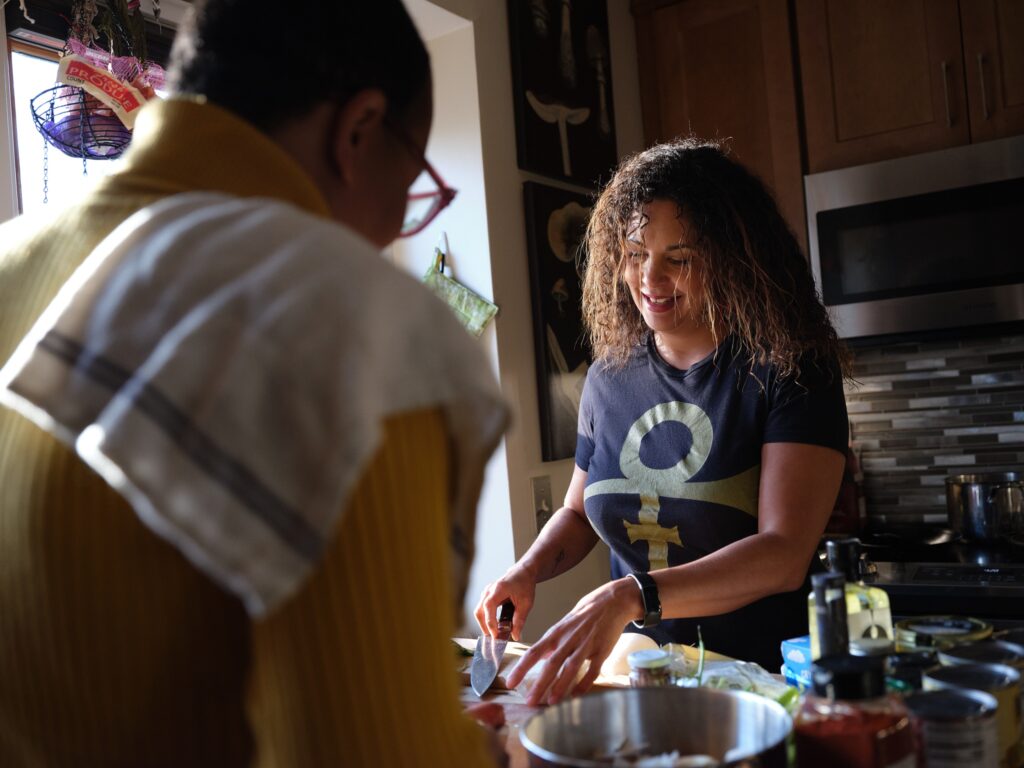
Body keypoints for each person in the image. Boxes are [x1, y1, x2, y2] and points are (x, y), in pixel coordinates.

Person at [0, 1, 507, 765]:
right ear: (359, 131)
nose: (391, 230)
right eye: (409, 191)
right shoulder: (339, 318)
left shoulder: (13, 255)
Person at [476, 139, 850, 706]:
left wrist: (630, 596)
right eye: (634, 252)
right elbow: (580, 511)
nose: (649, 277)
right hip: (641, 679)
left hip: (762, 686)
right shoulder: (608, 377)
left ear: (733, 260)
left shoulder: (792, 370)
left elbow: (783, 552)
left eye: (680, 258)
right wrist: (526, 570)